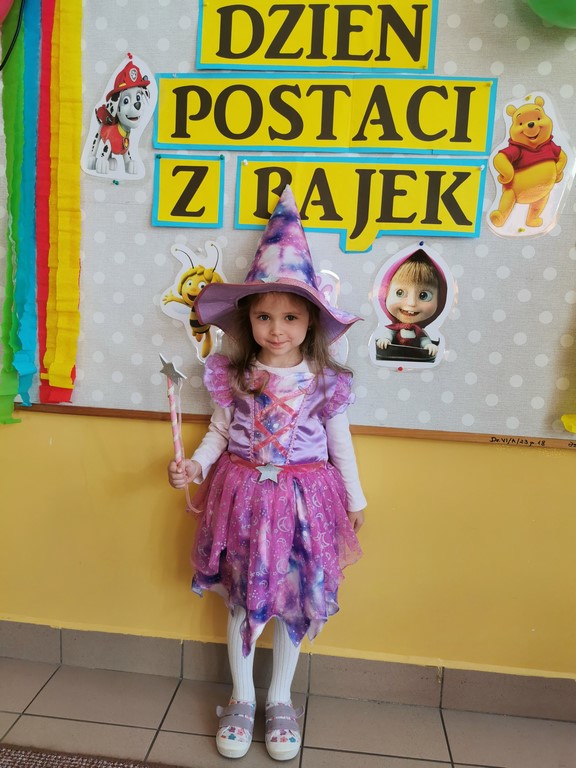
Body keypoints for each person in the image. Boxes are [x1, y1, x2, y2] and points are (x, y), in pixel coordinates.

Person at [168, 185, 366, 761]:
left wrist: (355, 499)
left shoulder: (325, 382)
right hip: (243, 501)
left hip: (306, 501)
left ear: (311, 321)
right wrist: (195, 466)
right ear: (247, 318)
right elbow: (219, 433)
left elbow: (340, 443)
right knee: (242, 595)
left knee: (294, 596)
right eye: (264, 316)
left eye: (290, 316)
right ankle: (242, 697)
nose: (277, 329)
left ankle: (280, 698)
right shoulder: (234, 375)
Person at [375, 249, 446, 358]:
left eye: (424, 295)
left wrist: (428, 345)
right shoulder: (394, 328)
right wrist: (385, 339)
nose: (411, 303)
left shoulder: (418, 331)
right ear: (385, 293)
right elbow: (389, 334)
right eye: (400, 293)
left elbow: (424, 340)